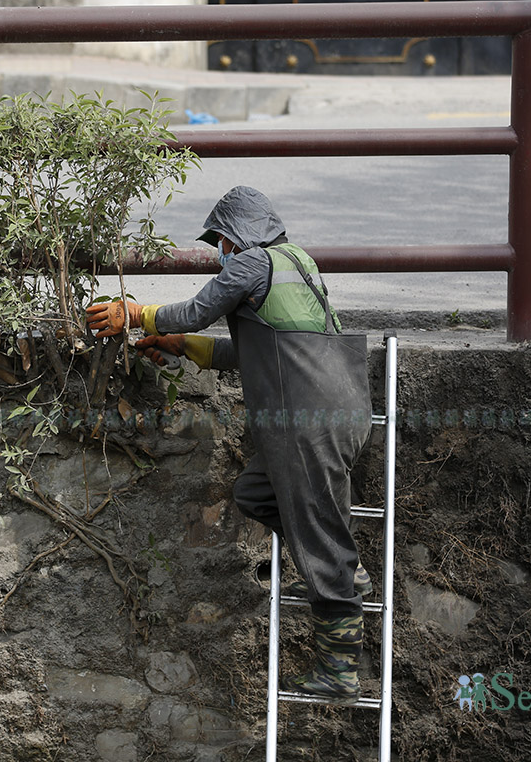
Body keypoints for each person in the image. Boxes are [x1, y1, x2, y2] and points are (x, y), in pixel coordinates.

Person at [85, 185, 372, 700]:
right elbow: (262, 353)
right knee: (256, 492)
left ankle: (339, 670)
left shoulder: (251, 264)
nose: (220, 251)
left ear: (235, 235)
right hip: (345, 408)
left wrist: (135, 315)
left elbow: (197, 309)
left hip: (305, 420)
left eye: (220, 240)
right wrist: (184, 346)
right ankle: (350, 567)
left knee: (318, 540)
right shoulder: (298, 264)